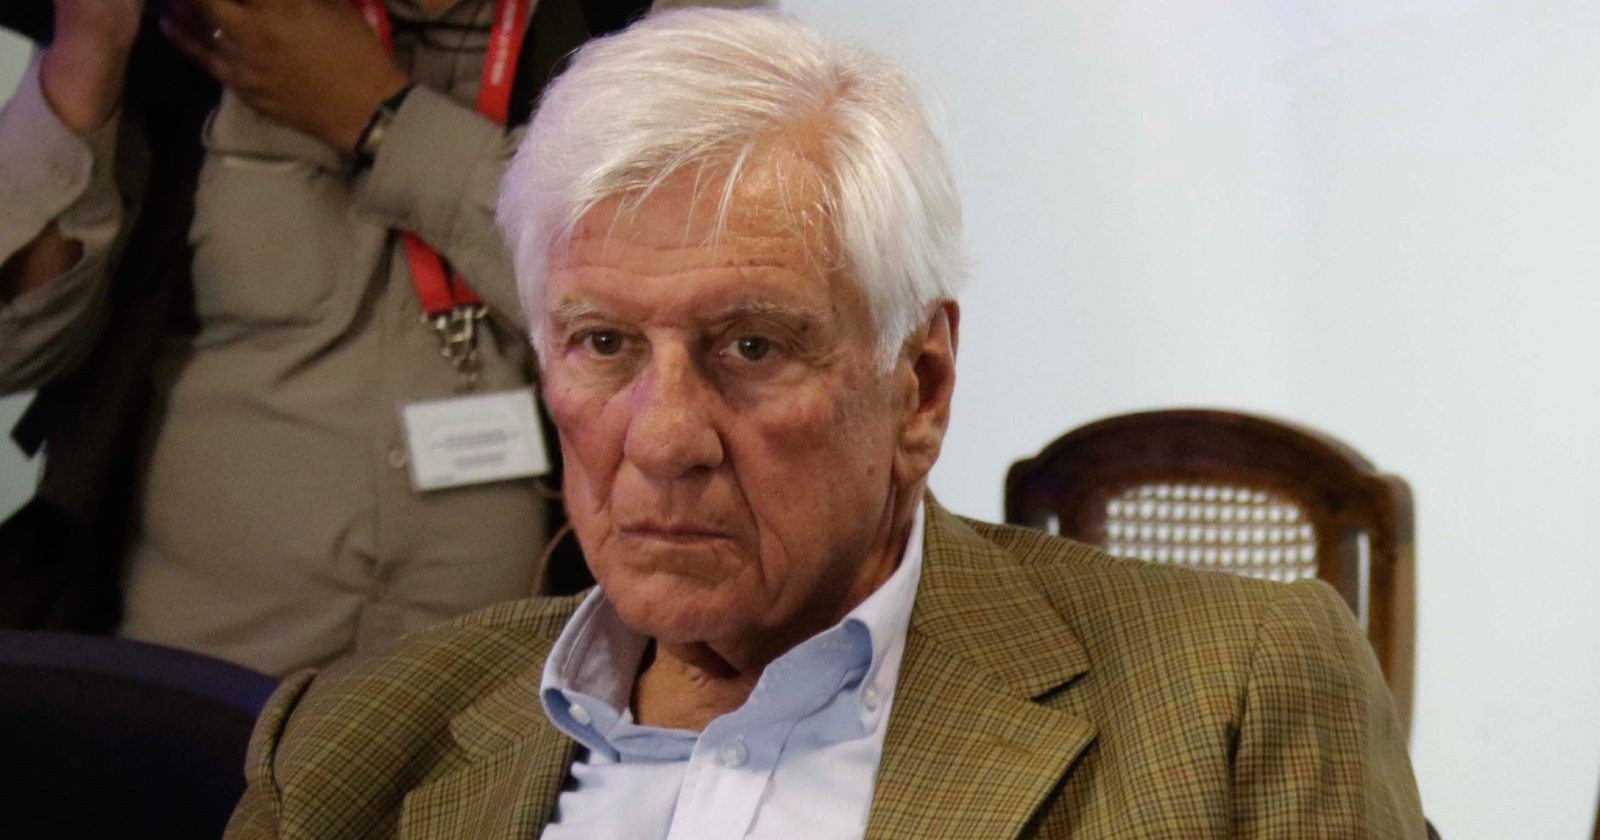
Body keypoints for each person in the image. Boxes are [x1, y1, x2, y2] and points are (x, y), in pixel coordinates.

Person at [224, 9, 1429, 838]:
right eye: (604, 346)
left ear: (920, 388)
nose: (662, 438)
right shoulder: (350, 748)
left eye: (750, 347)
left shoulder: (1226, 703)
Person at [0, 0, 750, 676]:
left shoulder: (650, 27)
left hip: (503, 702)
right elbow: (17, 351)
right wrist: (87, 51)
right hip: (195, 683)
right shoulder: (194, 28)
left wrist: (380, 117)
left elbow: (676, 299)